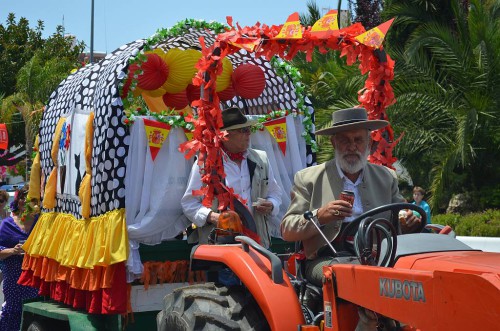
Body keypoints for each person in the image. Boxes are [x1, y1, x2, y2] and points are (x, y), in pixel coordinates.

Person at [281, 108, 421, 286]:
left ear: (369, 144)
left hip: (380, 256)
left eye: (358, 140)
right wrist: (320, 216)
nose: (352, 147)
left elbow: (400, 221)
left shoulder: (387, 177)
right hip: (326, 258)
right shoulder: (308, 178)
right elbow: (287, 229)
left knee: (414, 276)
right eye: (344, 140)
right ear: (334, 143)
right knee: (347, 277)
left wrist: (407, 223)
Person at [182, 107, 283, 248]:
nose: (249, 134)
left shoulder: (261, 159)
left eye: (249, 130)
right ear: (225, 136)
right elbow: (189, 204)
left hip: (257, 244)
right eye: (243, 131)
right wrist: (214, 217)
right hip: (220, 247)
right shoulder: (206, 163)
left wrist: (271, 205)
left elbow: (275, 193)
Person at [0, 185, 39, 331]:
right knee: (13, 311)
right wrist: (13, 250)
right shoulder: (7, 224)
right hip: (14, 277)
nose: (25, 201)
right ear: (17, 200)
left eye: (30, 198)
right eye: (22, 197)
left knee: (35, 312)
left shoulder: (41, 222)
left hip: (35, 276)